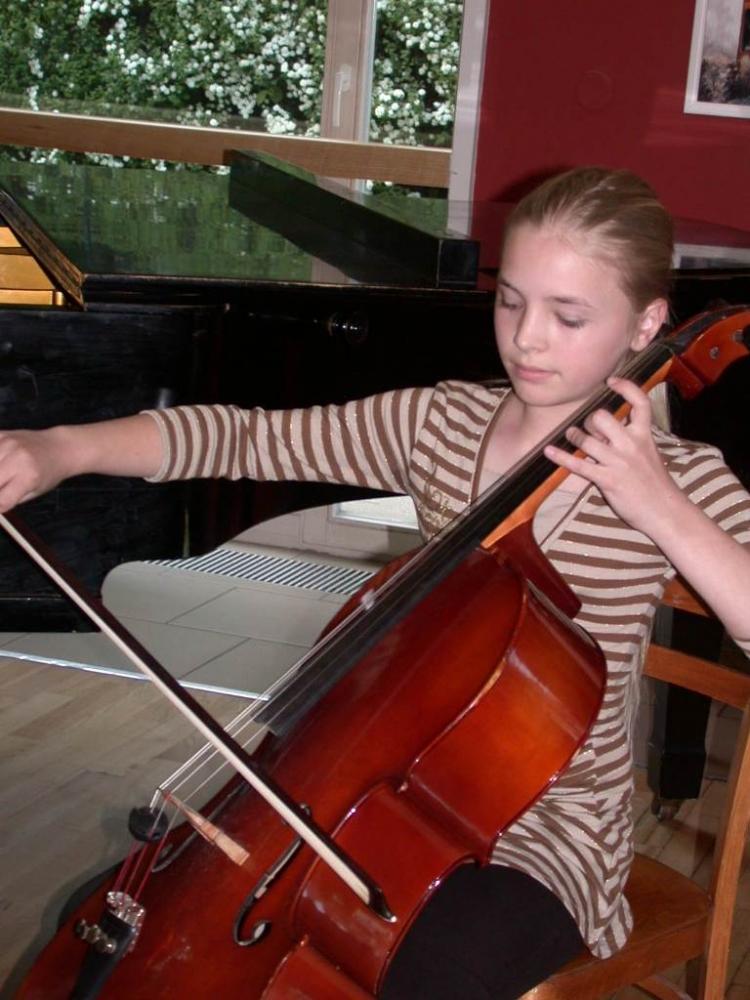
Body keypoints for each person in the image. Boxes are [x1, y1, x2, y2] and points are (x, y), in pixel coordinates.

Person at [1, 167, 749, 999]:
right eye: (511, 302)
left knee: (424, 975)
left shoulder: (682, 478)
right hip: (368, 792)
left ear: (646, 323)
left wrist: (660, 506)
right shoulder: (443, 423)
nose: (527, 339)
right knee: (128, 920)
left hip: (547, 838)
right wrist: (61, 448)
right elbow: (246, 439)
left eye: (568, 316)